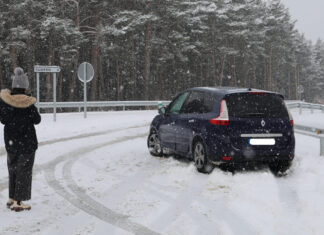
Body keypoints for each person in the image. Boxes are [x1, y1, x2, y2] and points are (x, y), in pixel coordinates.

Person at [0, 67, 41, 212]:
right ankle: (19, 201)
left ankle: (11, 197)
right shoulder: (28, 103)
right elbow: (37, 120)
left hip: (11, 142)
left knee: (13, 169)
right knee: (24, 171)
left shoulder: (5, 102)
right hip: (27, 142)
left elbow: (3, 119)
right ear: (25, 87)